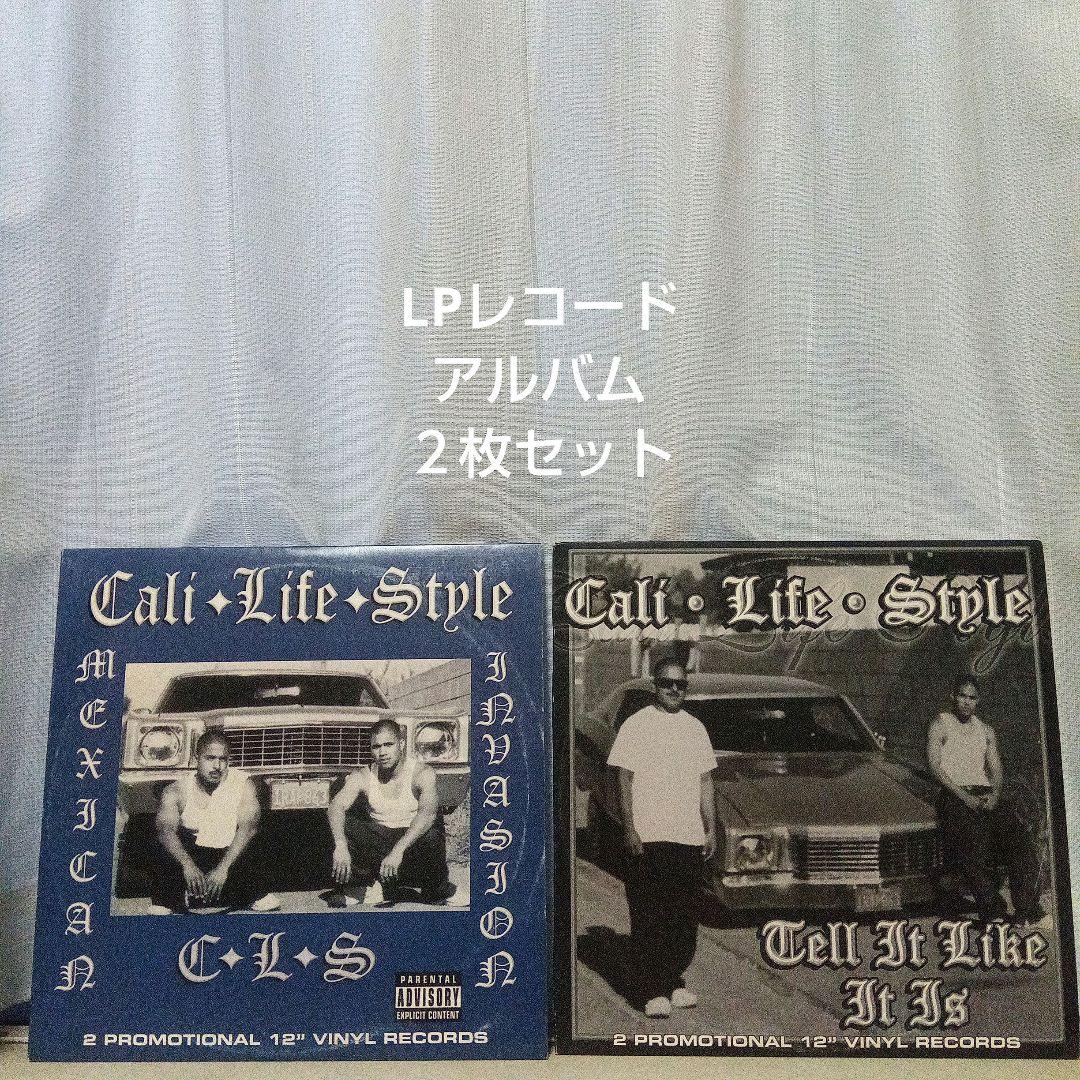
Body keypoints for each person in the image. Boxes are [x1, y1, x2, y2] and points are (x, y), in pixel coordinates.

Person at [607, 658, 717, 1019]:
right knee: (650, 914)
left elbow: (705, 781)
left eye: (680, 684)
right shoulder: (636, 725)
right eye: (668, 683)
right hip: (650, 835)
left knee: (683, 917)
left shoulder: (695, 728)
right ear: (656, 685)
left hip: (688, 836)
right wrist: (629, 827)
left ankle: (672, 979)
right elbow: (624, 779)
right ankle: (651, 989)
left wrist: (710, 827)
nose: (674, 689)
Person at [928, 675, 1042, 922]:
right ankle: (992, 909)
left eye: (972, 697)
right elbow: (935, 767)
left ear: (978, 700)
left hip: (985, 794)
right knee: (972, 847)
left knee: (1020, 840)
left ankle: (1026, 908)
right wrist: (964, 797)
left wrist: (995, 794)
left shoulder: (986, 730)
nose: (967, 702)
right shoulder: (941, 724)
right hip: (954, 795)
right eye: (962, 696)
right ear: (953, 696)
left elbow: (996, 769)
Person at [326, 718, 457, 907]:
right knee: (347, 824)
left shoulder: (422, 773)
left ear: (401, 744)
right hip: (380, 843)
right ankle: (362, 886)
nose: (382, 752)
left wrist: (397, 851)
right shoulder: (363, 776)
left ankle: (436, 890)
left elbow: (427, 816)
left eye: (389, 744)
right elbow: (336, 807)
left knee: (432, 833)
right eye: (376, 747)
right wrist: (340, 845)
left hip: (412, 845)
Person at [151, 730, 279, 913]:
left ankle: (253, 894)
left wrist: (222, 870)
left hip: (228, 854)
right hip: (195, 855)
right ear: (196, 759)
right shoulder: (177, 790)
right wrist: (188, 866)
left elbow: (248, 829)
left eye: (223, 759)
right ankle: (168, 899)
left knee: (256, 838)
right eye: (210, 758)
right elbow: (165, 831)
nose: (217, 766)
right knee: (164, 843)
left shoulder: (243, 784)